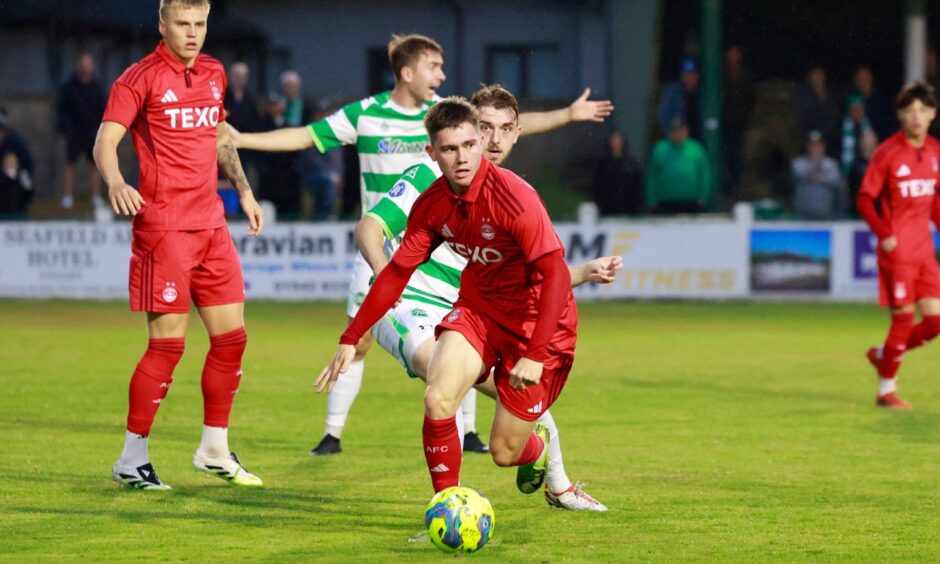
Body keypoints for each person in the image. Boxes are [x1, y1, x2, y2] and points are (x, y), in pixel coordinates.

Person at [230, 33, 613, 456]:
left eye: (475, 140)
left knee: (464, 366)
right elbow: (307, 139)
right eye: (434, 66)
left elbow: (503, 125)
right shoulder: (372, 119)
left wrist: (566, 114)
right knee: (414, 360)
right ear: (408, 72)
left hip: (454, 268)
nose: (443, 74)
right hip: (398, 260)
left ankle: (503, 446)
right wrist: (242, 140)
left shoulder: (454, 125)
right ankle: (334, 434)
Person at [358, 85, 617, 510]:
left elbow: (530, 279)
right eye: (485, 129)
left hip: (486, 313)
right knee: (442, 387)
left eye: (504, 131)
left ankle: (550, 475)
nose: (494, 141)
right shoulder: (429, 173)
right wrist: (385, 287)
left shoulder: (509, 192)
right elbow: (371, 226)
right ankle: (450, 505)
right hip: (425, 307)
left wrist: (583, 273)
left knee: (505, 419)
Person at [93, 0, 265, 490]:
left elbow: (218, 138)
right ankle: (132, 458)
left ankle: (213, 448)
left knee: (232, 339)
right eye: (183, 24)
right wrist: (116, 182)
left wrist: (246, 192)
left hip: (211, 225)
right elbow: (105, 141)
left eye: (200, 24)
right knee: (167, 347)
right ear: (162, 25)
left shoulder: (212, 72)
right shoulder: (138, 78)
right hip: (164, 228)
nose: (193, 33)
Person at [857, 81, 940, 409]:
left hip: (924, 251)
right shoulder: (887, 153)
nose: (916, 116)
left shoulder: (935, 151)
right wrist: (883, 233)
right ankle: (886, 390)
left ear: (932, 113)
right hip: (898, 252)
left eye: (922, 110)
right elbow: (865, 198)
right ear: (900, 116)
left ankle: (883, 355)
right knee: (903, 320)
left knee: (935, 323)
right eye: (909, 111)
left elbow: (934, 201)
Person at [57, 53, 106, 211]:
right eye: (83, 65)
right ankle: (68, 197)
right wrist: (67, 128)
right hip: (74, 132)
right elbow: (62, 109)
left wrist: (100, 129)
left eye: (88, 65)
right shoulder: (69, 87)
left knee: (95, 165)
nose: (85, 68)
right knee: (70, 163)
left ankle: (96, 197)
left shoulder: (97, 88)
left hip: (92, 132)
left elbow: (103, 109)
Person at [645, 118, 712, 213]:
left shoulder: (696, 148)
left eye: (681, 130)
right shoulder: (659, 148)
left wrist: (703, 196)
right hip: (665, 202)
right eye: (675, 131)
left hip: (691, 202)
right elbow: (651, 175)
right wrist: (651, 198)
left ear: (686, 131)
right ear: (669, 132)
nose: (678, 134)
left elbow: (704, 173)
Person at [721, 46, 754, 200]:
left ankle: (736, 187)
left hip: (739, 123)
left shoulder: (745, 75)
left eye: (736, 54)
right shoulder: (720, 73)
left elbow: (750, 98)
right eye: (730, 54)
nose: (733, 57)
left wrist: (744, 117)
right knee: (724, 155)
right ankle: (725, 187)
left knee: (737, 155)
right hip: (724, 123)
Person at [791, 130, 845, 219]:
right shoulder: (798, 162)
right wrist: (815, 162)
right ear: (807, 146)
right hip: (803, 214)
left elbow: (837, 182)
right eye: (812, 145)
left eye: (818, 145)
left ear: (823, 146)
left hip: (826, 213)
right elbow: (800, 173)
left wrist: (821, 178)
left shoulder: (831, 163)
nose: (815, 148)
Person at [590, 130, 643, 215]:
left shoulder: (631, 163)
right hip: (607, 208)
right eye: (614, 141)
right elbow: (597, 185)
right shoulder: (603, 164)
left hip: (628, 208)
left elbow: (637, 185)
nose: (616, 143)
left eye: (618, 141)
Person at [796, 67, 840, 157]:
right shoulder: (804, 97)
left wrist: (823, 134)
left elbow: (833, 117)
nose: (818, 79)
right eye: (815, 77)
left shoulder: (830, 95)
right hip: (808, 137)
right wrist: (813, 135)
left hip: (828, 137)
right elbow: (802, 118)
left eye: (820, 76)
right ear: (810, 78)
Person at [657, 58, 702, 140]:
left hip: (699, 141)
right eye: (684, 73)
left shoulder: (705, 92)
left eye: (690, 73)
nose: (687, 77)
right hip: (679, 142)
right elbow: (663, 115)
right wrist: (673, 134)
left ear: (697, 75)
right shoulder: (673, 92)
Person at [852, 66, 896, 141]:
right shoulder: (852, 100)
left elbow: (888, 126)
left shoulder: (882, 100)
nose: (862, 81)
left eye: (865, 78)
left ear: (871, 79)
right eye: (859, 79)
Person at [847, 129, 879, 216]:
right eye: (865, 142)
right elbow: (851, 189)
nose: (868, 145)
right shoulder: (855, 165)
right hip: (858, 213)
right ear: (861, 144)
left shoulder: (882, 162)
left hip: (879, 213)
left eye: (870, 142)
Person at [841, 94, 874, 176]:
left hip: (866, 166)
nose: (857, 111)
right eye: (854, 108)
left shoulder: (870, 125)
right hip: (847, 168)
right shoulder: (841, 127)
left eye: (859, 108)